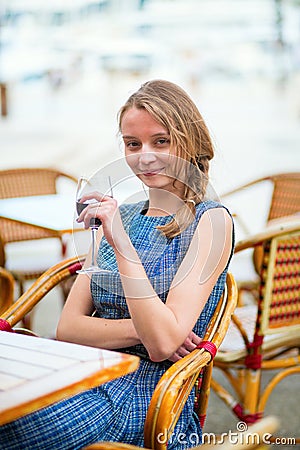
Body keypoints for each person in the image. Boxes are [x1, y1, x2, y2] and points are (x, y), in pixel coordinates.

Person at [0, 79, 234, 449]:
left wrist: (122, 247)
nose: (145, 156)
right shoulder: (121, 214)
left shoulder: (210, 221)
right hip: (84, 371)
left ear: (190, 142)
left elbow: (161, 349)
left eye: (161, 141)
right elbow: (69, 329)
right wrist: (151, 328)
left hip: (145, 394)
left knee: (12, 425)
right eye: (132, 143)